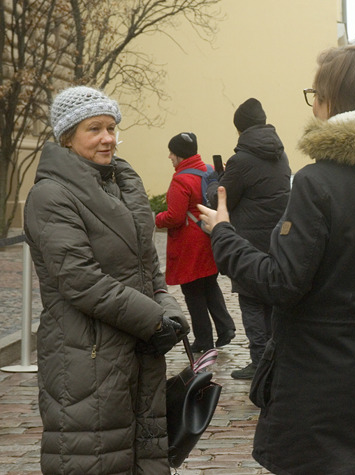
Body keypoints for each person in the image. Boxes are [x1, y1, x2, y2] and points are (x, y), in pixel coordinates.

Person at [199, 45, 355, 474]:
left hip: (319, 385)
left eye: (316, 93)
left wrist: (223, 234)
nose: (313, 103)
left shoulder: (317, 182)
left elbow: (281, 283)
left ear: (332, 102)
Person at [23, 86, 191, 474]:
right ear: (67, 136)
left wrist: (168, 311)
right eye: (94, 129)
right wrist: (152, 320)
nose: (107, 138)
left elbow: (148, 267)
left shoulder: (117, 187)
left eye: (112, 128)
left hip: (137, 352)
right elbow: (80, 280)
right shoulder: (50, 195)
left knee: (141, 457)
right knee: (93, 458)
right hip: (85, 355)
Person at [205, 98, 291, 379]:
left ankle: (259, 363)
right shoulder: (280, 153)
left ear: (239, 128)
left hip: (248, 241)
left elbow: (223, 199)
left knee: (252, 302)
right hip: (278, 239)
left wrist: (215, 182)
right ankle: (276, 359)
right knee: (272, 301)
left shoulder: (240, 160)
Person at [155, 132, 236, 353]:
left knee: (193, 292)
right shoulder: (208, 170)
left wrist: (155, 218)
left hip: (189, 244)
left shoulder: (181, 179)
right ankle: (226, 327)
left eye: (172, 152)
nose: (170, 156)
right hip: (210, 236)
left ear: (180, 155)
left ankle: (203, 341)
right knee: (210, 284)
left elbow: (175, 216)